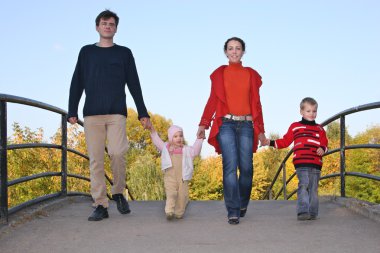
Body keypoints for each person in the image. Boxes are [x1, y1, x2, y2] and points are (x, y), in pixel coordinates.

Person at [68, 10, 151, 221]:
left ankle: (117, 192)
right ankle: (100, 205)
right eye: (104, 23)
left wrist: (142, 112)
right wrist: (72, 110)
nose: (107, 26)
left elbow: (134, 83)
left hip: (116, 113)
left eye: (111, 24)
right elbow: (77, 81)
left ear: (116, 28)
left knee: (117, 152)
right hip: (92, 115)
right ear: (97, 27)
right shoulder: (86, 52)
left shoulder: (124, 53)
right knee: (96, 160)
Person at [197, 37, 266, 225]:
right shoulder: (220, 74)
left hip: (246, 125)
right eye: (230, 48)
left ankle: (242, 203)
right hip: (226, 124)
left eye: (238, 48)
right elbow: (212, 100)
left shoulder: (251, 74)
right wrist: (203, 124)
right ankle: (233, 210)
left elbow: (257, 104)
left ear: (243, 52)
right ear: (225, 52)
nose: (234, 51)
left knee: (246, 168)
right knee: (229, 167)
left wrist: (260, 131)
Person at [263, 97, 328, 220]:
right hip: (301, 162)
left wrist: (323, 149)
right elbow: (285, 141)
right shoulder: (295, 126)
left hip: (316, 163)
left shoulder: (320, 129)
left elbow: (325, 144)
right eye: (308, 111)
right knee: (303, 184)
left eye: (314, 111)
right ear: (301, 112)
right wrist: (270, 142)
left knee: (313, 188)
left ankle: (313, 212)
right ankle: (303, 211)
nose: (312, 114)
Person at [149, 124, 203, 220]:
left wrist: (199, 139)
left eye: (181, 136)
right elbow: (157, 141)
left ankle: (179, 212)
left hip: (183, 177)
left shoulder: (186, 150)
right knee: (171, 193)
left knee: (183, 195)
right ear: (170, 138)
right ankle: (169, 211)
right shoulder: (166, 148)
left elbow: (196, 150)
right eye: (175, 136)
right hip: (170, 176)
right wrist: (153, 132)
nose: (179, 138)